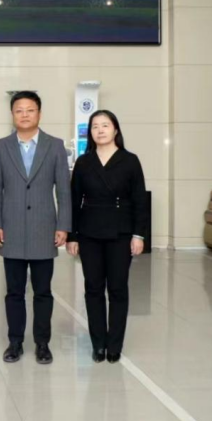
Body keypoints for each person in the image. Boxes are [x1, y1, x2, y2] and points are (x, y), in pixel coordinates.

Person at [0, 91, 71, 364]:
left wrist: (64, 225)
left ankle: (42, 343)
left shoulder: (55, 146)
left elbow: (64, 191)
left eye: (30, 110)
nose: (24, 115)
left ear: (39, 113)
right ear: (12, 115)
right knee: (14, 292)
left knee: (43, 292)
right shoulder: (1, 146)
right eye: (19, 110)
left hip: (44, 230)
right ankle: (15, 342)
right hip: (10, 230)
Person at [66, 110, 147, 364]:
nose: (100, 130)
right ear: (90, 132)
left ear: (115, 130)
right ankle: (98, 343)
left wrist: (138, 235)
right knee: (93, 288)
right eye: (95, 126)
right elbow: (74, 201)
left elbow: (140, 201)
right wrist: (72, 236)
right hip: (89, 233)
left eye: (105, 125)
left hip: (120, 233)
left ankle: (114, 345)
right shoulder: (84, 162)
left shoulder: (130, 160)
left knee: (118, 288)